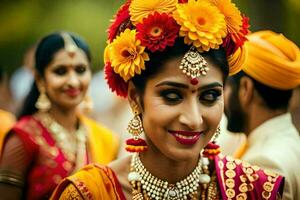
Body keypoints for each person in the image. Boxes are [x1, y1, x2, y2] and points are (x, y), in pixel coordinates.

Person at [52, 1, 284, 199]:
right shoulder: (90, 193)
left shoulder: (253, 189)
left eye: (209, 96)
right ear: (135, 97)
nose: (193, 119)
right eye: (172, 96)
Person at [0, 32, 119, 199]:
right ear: (40, 79)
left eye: (80, 70)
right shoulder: (23, 138)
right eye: (61, 71)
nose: (73, 81)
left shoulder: (104, 138)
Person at [224, 30, 300, 199]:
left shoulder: (264, 164)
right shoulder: (289, 138)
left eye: (227, 86)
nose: (222, 96)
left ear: (245, 89)